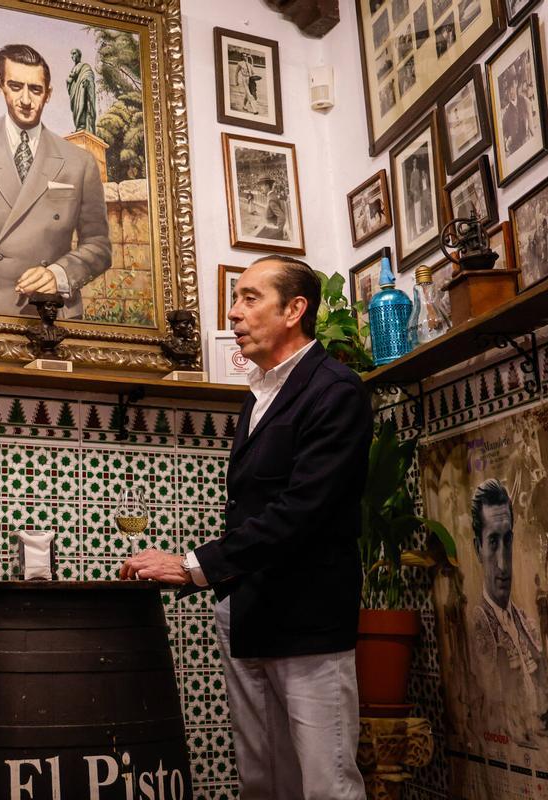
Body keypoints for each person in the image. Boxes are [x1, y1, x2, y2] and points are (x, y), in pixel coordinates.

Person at [120, 255, 371, 800]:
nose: (233, 312)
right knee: (263, 783)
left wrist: (192, 566)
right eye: (235, 299)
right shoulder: (258, 394)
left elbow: (302, 511)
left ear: (294, 310)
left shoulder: (335, 389)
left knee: (326, 784)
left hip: (307, 624)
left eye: (250, 298)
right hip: (248, 615)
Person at [0, 44, 111, 319]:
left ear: (48, 94)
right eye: (15, 87)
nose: (26, 99)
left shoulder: (79, 162)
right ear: (0, 86)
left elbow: (99, 245)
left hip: (57, 317)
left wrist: (59, 274)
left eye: (35, 89)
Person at [466, 478, 548, 747]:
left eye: (507, 540)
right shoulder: (477, 626)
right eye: (493, 542)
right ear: (478, 548)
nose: (503, 564)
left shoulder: (525, 622)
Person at [66, 48, 98, 134]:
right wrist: (69, 81)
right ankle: (79, 126)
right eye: (71, 54)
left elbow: (89, 74)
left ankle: (82, 126)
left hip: (82, 88)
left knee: (82, 105)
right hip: (74, 92)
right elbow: (69, 82)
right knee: (76, 109)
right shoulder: (73, 68)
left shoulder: (85, 66)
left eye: (74, 53)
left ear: (79, 55)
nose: (72, 56)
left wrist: (87, 81)